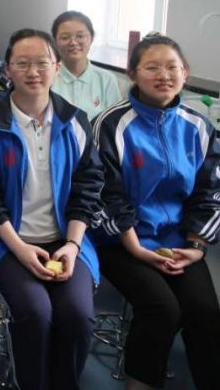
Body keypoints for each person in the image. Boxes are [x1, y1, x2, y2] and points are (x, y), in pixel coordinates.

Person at [0, 29, 105, 390]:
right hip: (8, 244)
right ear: (7, 70)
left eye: (42, 63)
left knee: (78, 316)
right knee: (35, 313)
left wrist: (72, 246)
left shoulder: (75, 121)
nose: (33, 72)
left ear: (56, 67)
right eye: (22, 63)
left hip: (66, 241)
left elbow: (88, 188)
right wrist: (20, 248)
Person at [93, 35, 220, 390]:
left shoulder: (199, 127)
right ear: (133, 73)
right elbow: (105, 195)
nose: (163, 75)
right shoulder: (111, 124)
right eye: (152, 67)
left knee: (205, 312)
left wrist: (196, 246)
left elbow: (211, 192)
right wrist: (135, 246)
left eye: (172, 67)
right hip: (121, 241)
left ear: (185, 72)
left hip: (179, 241)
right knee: (162, 309)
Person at [51, 11, 121, 121]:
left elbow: (114, 123)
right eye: (65, 37)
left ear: (91, 38)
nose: (73, 42)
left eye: (80, 36)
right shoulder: (48, 77)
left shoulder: (106, 79)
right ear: (55, 41)